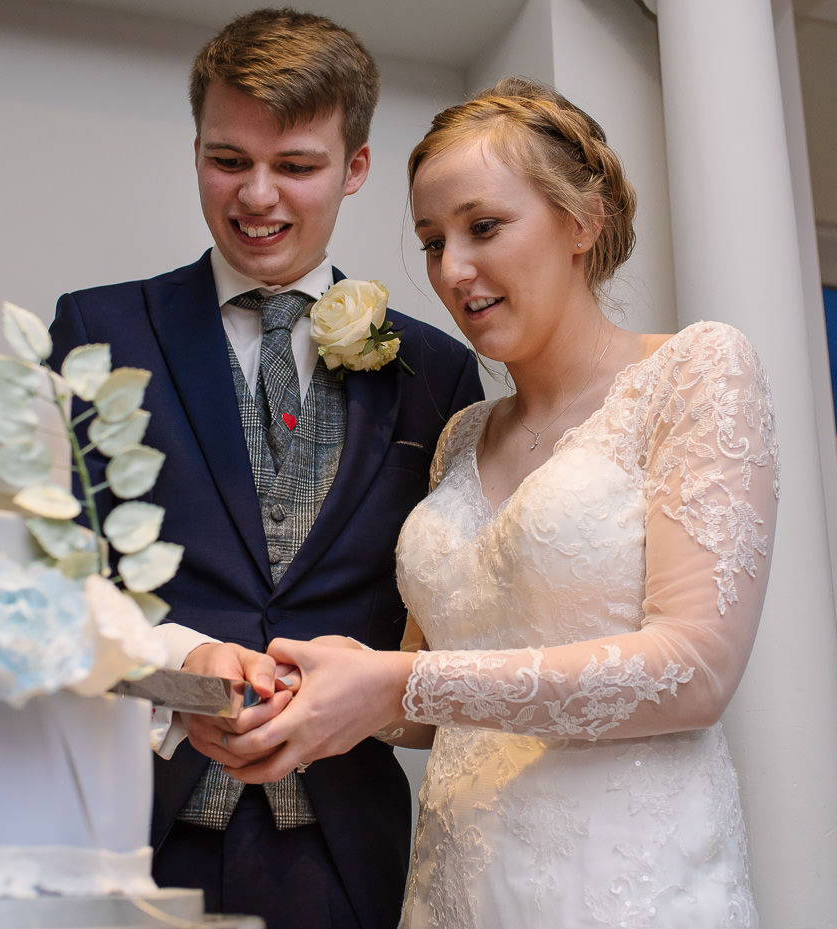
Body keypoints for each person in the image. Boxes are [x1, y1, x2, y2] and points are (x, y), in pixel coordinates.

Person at [224, 77, 780, 928]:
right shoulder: (462, 435)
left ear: (583, 222)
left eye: (484, 227)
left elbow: (694, 670)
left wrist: (399, 681)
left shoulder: (693, 373)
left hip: (628, 884)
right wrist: (335, 680)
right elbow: (431, 699)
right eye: (432, 239)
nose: (453, 270)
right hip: (457, 883)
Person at [47, 10, 484, 929]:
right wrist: (177, 681)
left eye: (295, 166)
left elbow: (443, 634)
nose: (256, 196)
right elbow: (49, 591)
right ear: (196, 149)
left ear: (355, 167)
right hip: (133, 824)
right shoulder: (97, 331)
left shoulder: (435, 371)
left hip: (344, 848)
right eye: (228, 159)